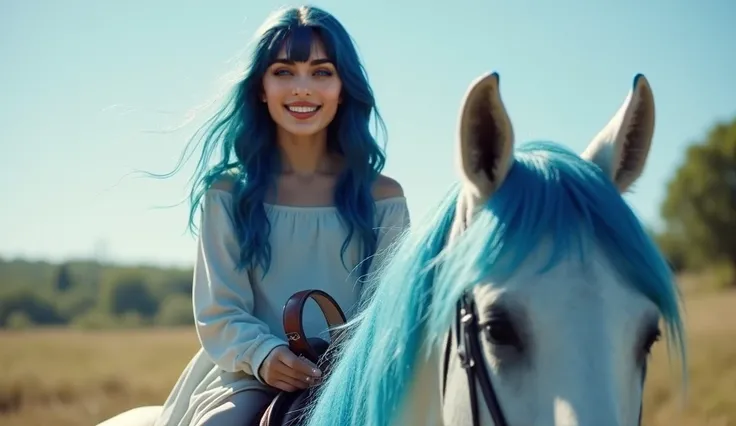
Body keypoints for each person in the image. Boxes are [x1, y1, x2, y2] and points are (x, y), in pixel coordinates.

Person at [152, 5, 410, 426]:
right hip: (247, 374)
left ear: (343, 87)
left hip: (355, 376)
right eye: (284, 72)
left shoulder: (384, 195)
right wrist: (266, 355)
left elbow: (392, 308)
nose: (303, 88)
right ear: (261, 87)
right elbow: (220, 312)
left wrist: (350, 367)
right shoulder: (227, 195)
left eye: (322, 72)